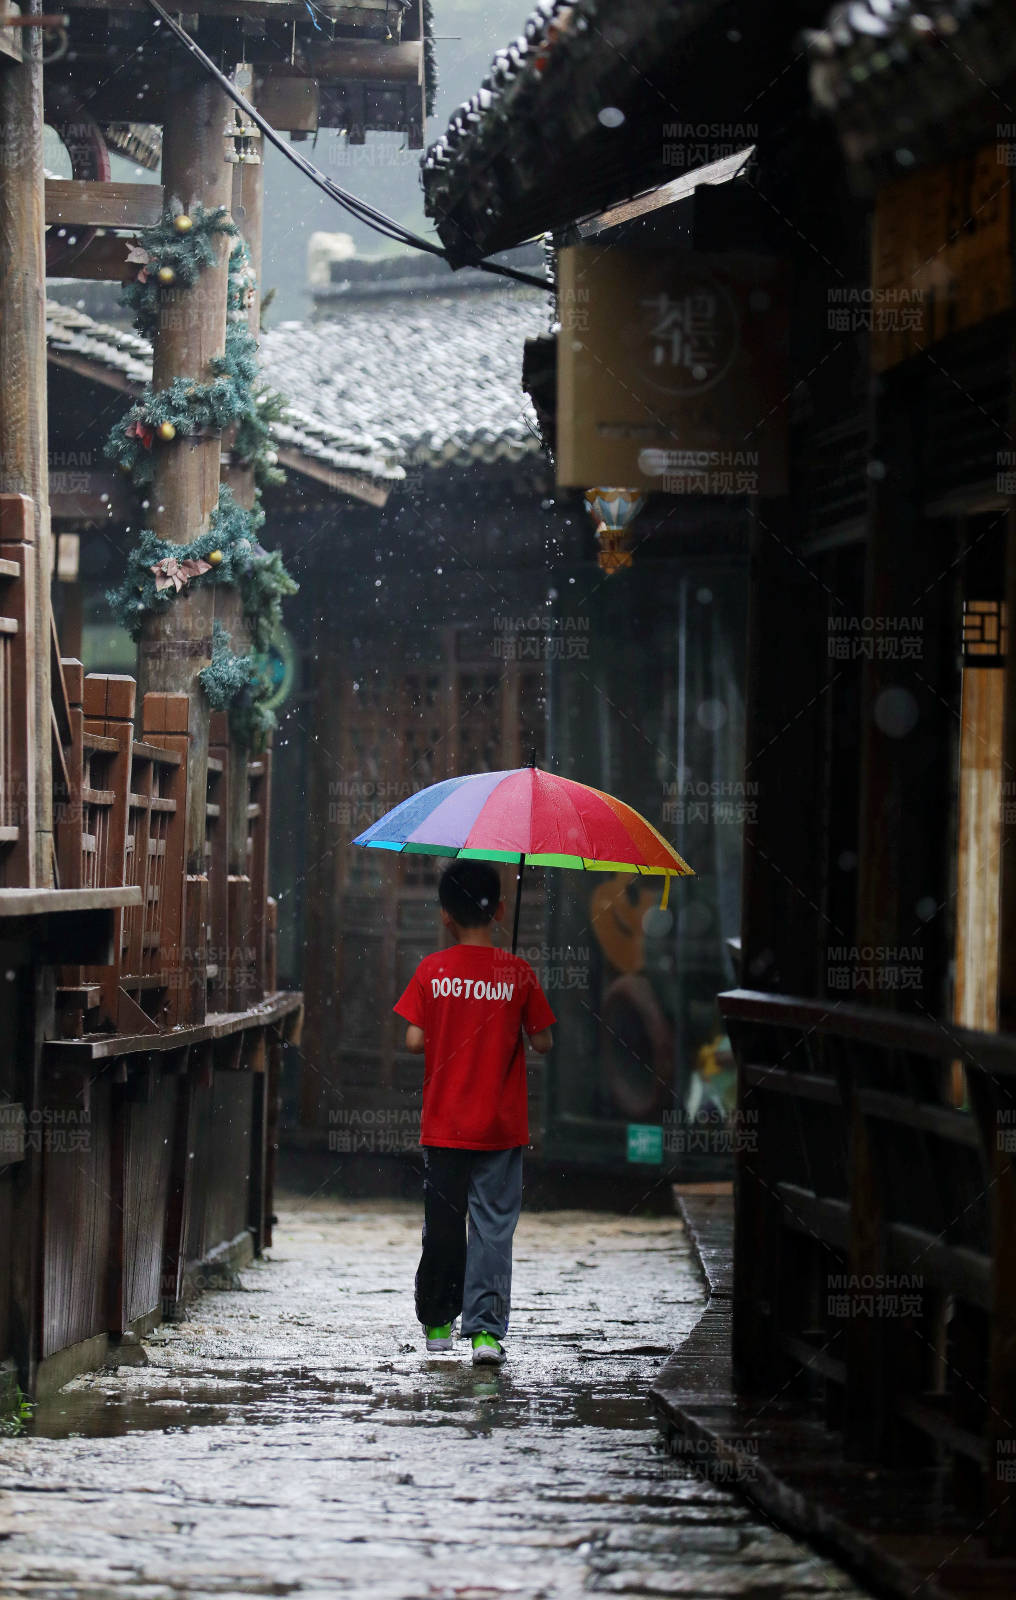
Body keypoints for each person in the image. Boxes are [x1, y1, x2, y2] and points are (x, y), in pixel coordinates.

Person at [394, 859, 555, 1366]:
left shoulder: (431, 971)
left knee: (442, 1221)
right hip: (501, 1129)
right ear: (502, 911)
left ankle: (439, 1320)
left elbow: (414, 1039)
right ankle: (485, 1334)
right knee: (492, 1229)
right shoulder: (518, 973)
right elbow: (544, 1042)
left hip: (445, 1125)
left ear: (446, 916)